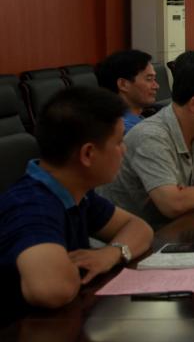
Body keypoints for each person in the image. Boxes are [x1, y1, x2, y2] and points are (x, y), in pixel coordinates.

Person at [0, 87, 153, 312]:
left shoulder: (75, 192)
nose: (124, 150)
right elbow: (52, 290)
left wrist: (112, 253)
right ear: (88, 154)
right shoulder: (30, 205)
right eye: (118, 142)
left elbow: (139, 228)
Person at [98, 56, 194, 228]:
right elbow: (172, 204)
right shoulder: (151, 136)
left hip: (175, 229)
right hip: (134, 238)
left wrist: (193, 194)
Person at [95, 49, 159, 133]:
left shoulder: (138, 120)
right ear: (123, 84)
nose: (156, 86)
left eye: (154, 79)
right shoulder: (128, 131)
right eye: (149, 79)